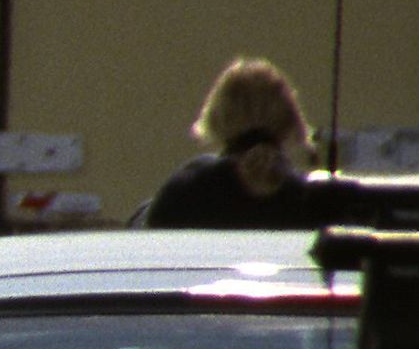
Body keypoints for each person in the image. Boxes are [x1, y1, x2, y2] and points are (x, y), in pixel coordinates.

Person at [143, 58, 334, 229]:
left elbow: (150, 230)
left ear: (218, 115)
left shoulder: (187, 190)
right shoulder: (309, 199)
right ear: (290, 120)